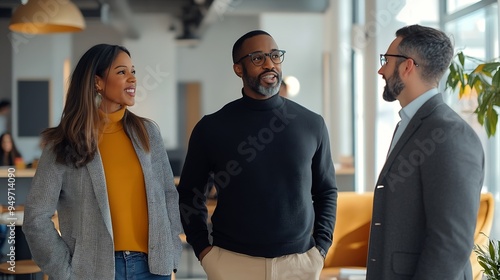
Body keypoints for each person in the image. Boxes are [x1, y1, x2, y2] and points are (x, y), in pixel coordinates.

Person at [177, 30, 337, 279]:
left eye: (275, 55)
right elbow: (190, 195)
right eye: (258, 58)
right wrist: (204, 252)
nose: (270, 64)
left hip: (299, 264)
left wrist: (321, 249)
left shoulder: (311, 123)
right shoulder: (212, 128)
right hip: (231, 262)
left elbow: (326, 191)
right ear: (238, 69)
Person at [22, 44, 183, 280]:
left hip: (153, 269)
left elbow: (168, 194)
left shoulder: (148, 132)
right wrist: (65, 273)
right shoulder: (63, 142)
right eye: (122, 72)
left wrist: (172, 254)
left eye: (133, 71)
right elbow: (36, 216)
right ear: (97, 82)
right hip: (92, 271)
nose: (132, 79)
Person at [366, 24, 484, 279]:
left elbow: (451, 244)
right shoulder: (409, 124)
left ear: (407, 66)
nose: (381, 70)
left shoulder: (450, 134)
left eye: (386, 61)